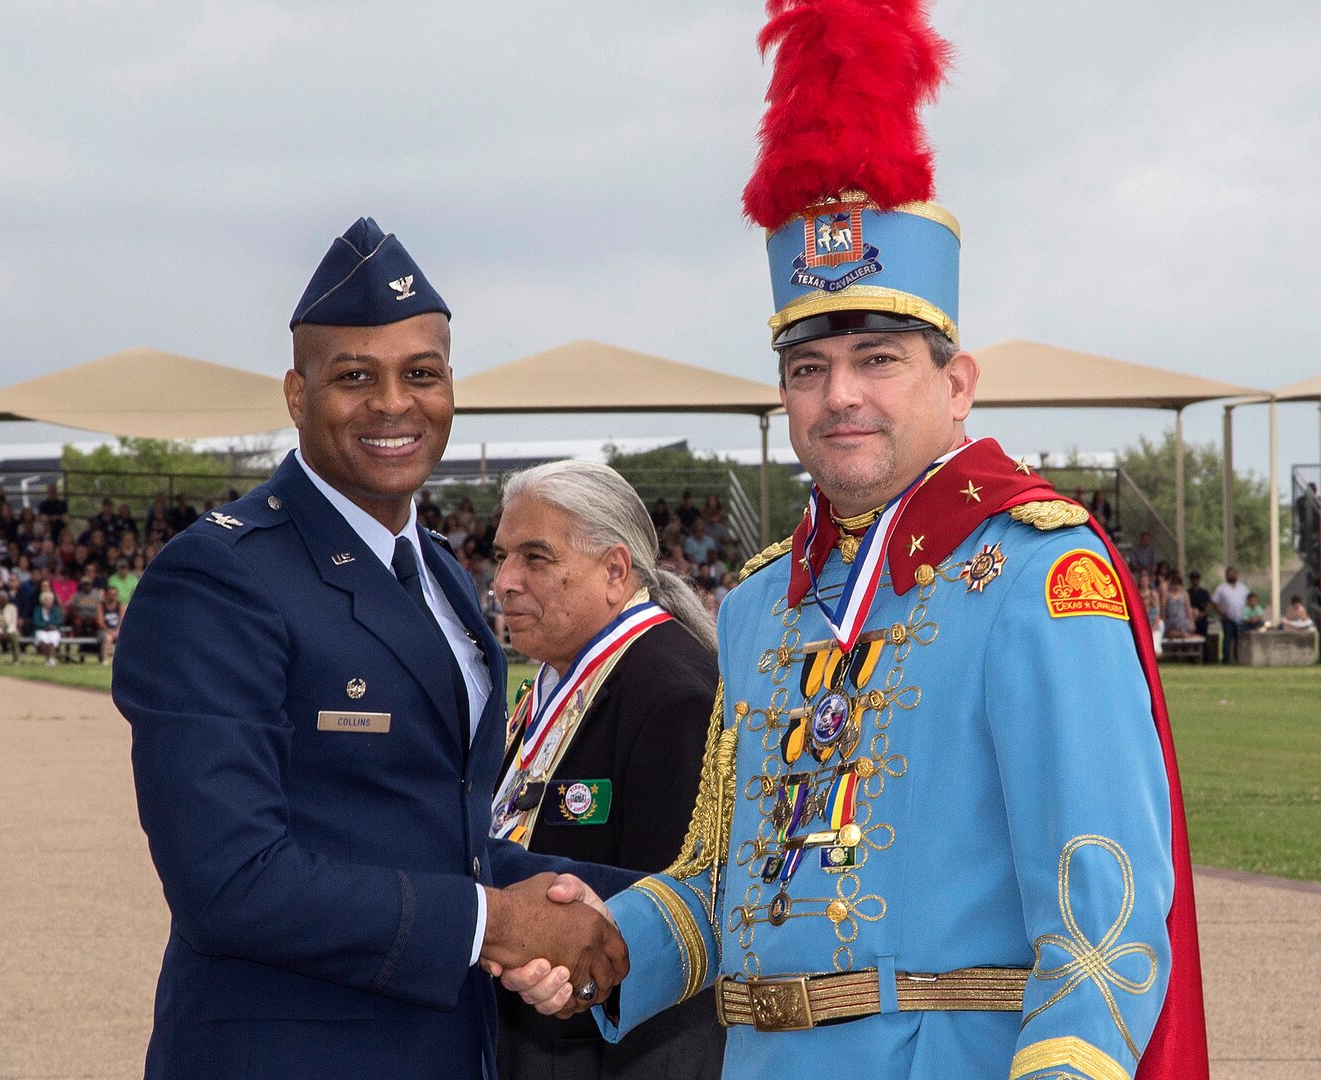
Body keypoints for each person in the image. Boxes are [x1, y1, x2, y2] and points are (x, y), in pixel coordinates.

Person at [503, 7, 1206, 1076]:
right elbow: (716, 883)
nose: (839, 396)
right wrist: (597, 945)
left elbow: (1100, 915)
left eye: (877, 359)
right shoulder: (753, 606)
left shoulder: (1036, 572)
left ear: (954, 382)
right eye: (805, 369)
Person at [110, 218, 633, 1080]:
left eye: (420, 374)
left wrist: (648, 904)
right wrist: (500, 923)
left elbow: (441, 839)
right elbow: (229, 880)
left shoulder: (441, 578)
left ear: (450, 386)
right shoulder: (218, 577)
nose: (393, 404)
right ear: (295, 394)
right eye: (354, 377)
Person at [489, 461, 726, 1080]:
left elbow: (678, 933)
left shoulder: (672, 694)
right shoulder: (559, 680)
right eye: (503, 556)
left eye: (534, 558)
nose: (504, 582)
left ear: (616, 572)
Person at [1211, 566, 1250, 663]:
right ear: (1226, 576)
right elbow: (1214, 601)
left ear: (1236, 575)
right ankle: (1226, 660)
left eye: (1233, 574)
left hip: (1241, 619)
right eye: (1229, 574)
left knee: (1239, 640)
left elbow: (1249, 600)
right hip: (1228, 618)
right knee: (1227, 639)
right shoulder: (1221, 588)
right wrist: (1220, 612)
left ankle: (1238, 659)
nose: (1231, 576)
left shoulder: (1243, 588)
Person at [32, 589, 63, 665]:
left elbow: (58, 621)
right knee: (43, 640)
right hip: (41, 629)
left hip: (53, 630)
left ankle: (49, 659)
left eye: (50, 600)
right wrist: (46, 626)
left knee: (53, 639)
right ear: (43, 601)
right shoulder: (37, 610)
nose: (49, 602)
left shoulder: (55, 610)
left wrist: (51, 626)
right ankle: (47, 659)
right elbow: (36, 621)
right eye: (47, 600)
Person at [96, 586, 124, 666]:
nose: (112, 596)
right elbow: (100, 622)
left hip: (117, 630)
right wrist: (109, 631)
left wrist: (117, 631)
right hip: (103, 630)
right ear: (106, 595)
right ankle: (105, 659)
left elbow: (121, 620)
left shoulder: (120, 605)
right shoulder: (101, 606)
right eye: (110, 594)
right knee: (108, 638)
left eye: (114, 594)